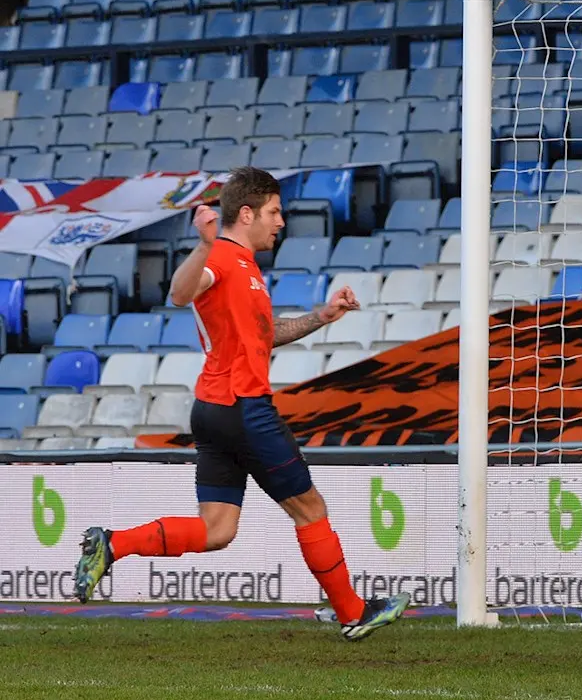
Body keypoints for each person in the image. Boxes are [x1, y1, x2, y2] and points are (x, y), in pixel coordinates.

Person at [73, 167, 410, 641]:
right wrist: (204, 244)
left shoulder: (246, 266)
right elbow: (179, 293)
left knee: (217, 530)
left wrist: (322, 315)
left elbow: (266, 333)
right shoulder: (223, 256)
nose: (281, 222)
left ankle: (112, 545)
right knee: (310, 508)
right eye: (274, 212)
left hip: (214, 410)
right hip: (243, 407)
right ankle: (353, 612)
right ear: (247, 213)